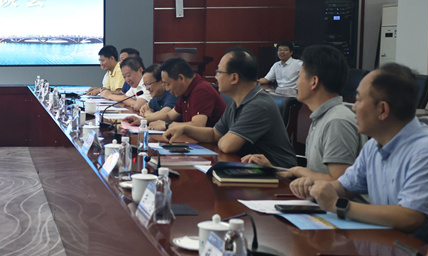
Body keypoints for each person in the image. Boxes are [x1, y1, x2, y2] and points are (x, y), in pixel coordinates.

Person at [293, 63, 428, 242]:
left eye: (359, 100)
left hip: (416, 253)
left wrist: (338, 205)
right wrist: (317, 189)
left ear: (382, 109)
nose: (353, 107)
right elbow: (345, 187)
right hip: (382, 244)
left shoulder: (427, 150)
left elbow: (410, 217)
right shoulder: (374, 145)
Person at [164, 47, 298, 168]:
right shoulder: (236, 102)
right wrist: (185, 129)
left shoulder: (259, 105)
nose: (216, 77)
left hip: (279, 176)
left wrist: (223, 137)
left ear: (234, 78)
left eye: (219, 72)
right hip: (249, 168)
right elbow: (214, 134)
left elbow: (227, 145)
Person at [243, 45, 361, 181]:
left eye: (299, 77)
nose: (297, 84)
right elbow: (316, 175)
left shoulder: (337, 122)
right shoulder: (322, 117)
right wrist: (273, 170)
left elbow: (340, 183)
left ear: (314, 82)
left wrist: (298, 171)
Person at [153, 56, 226, 129]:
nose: (167, 89)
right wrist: (147, 119)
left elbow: (197, 125)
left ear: (181, 78)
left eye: (168, 84)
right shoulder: (186, 90)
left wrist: (167, 125)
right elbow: (169, 115)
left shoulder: (201, 90)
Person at [136, 64, 178, 128]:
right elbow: (145, 109)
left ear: (162, 82)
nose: (147, 88)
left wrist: (148, 114)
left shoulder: (172, 93)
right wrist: (145, 110)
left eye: (149, 84)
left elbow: (164, 115)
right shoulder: (157, 97)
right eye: (145, 85)